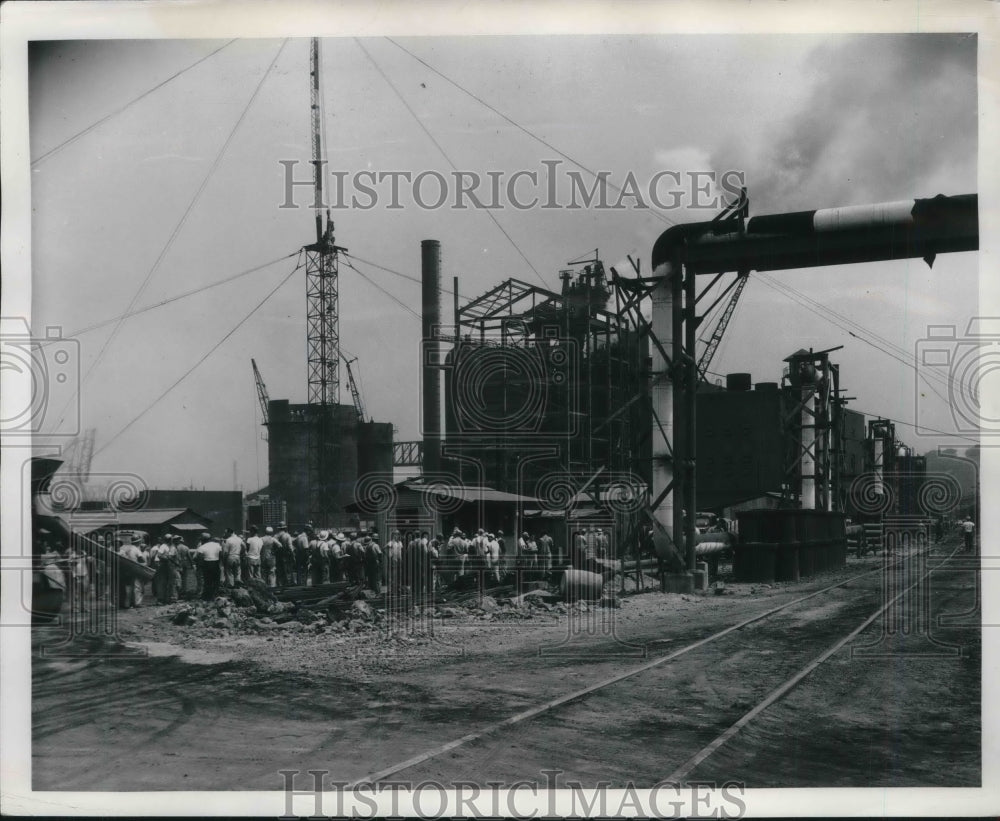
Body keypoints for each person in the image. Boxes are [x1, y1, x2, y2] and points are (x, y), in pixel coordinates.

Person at [116, 535, 145, 609]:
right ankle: (136, 603)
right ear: (138, 542)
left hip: (127, 569)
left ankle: (129, 603)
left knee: (129, 587)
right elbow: (141, 559)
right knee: (137, 586)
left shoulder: (126, 549)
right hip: (135, 569)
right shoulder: (136, 549)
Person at [195, 532, 223, 600]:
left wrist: (199, 567)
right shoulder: (217, 545)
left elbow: (200, 559)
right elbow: (221, 555)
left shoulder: (201, 547)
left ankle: (208, 596)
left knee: (208, 581)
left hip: (207, 564)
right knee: (216, 580)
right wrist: (220, 564)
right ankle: (215, 595)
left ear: (203, 540)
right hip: (216, 563)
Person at [174, 535, 198, 599]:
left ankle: (178, 592)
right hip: (184, 563)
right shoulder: (186, 547)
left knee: (177, 578)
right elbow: (189, 557)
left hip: (177, 564)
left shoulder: (174, 547)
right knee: (184, 578)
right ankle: (183, 591)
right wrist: (192, 564)